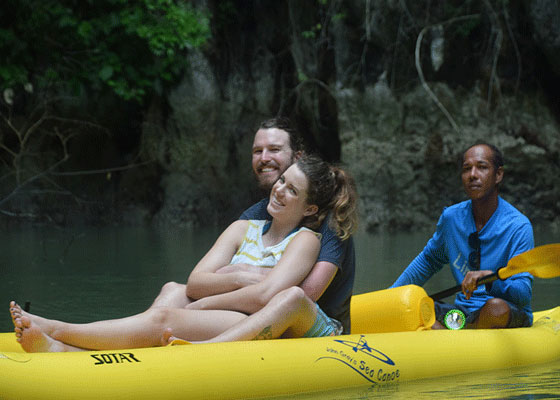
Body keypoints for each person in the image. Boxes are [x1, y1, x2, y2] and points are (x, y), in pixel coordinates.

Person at [10, 155, 358, 352]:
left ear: (310, 208)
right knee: (172, 290)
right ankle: (74, 351)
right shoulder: (243, 229)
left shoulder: (306, 240)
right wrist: (241, 276)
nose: (279, 190)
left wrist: (210, 296)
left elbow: (269, 296)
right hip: (238, 313)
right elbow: (195, 281)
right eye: (282, 180)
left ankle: (59, 329)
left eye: (292, 190)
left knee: (168, 317)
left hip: (265, 320)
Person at [147, 117, 356, 333]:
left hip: (308, 327)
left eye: (274, 149)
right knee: (172, 290)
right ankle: (140, 347)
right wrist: (243, 277)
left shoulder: (331, 221)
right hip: (249, 310)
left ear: (298, 158)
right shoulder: (258, 214)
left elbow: (304, 293)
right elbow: (207, 280)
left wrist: (242, 272)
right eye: (257, 151)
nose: (264, 158)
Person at [390, 143, 534, 329]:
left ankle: (454, 336)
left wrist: (491, 279)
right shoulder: (451, 218)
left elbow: (523, 295)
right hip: (462, 314)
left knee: (496, 308)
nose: (473, 174)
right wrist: (392, 297)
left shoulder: (518, 226)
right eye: (467, 169)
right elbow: (428, 261)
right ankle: (456, 336)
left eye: (482, 167)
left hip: (504, 313)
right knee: (417, 306)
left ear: (498, 174)